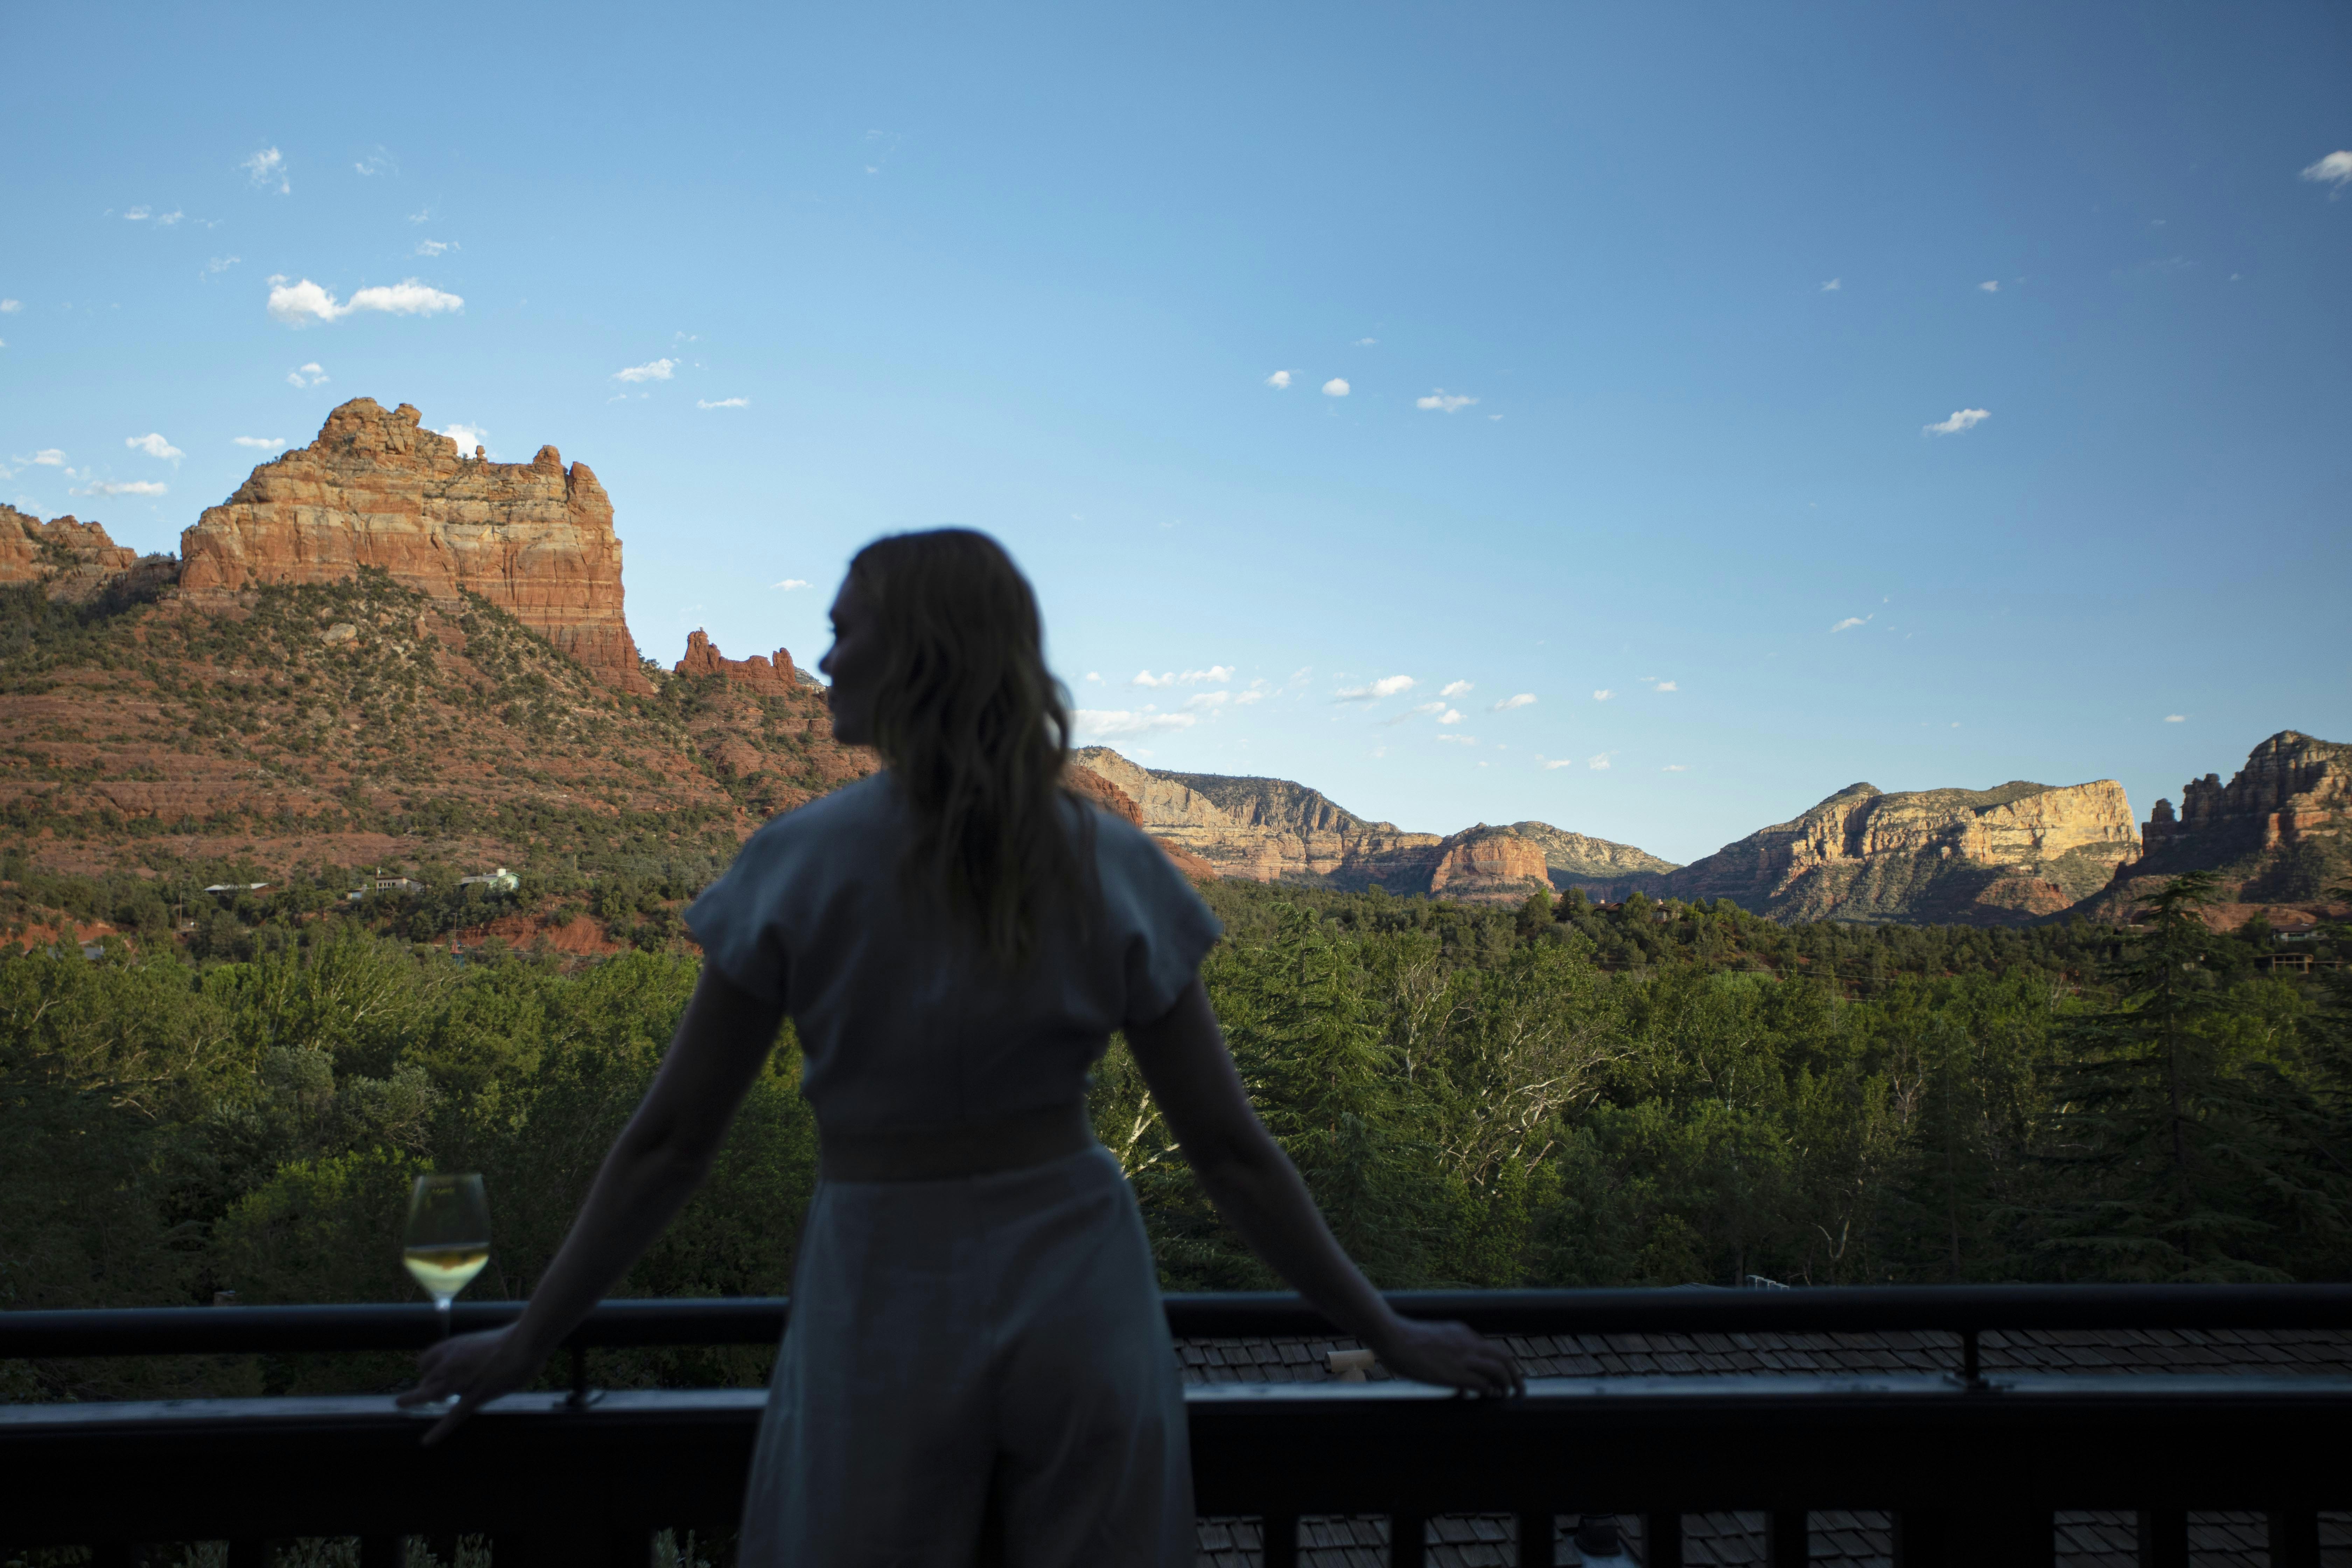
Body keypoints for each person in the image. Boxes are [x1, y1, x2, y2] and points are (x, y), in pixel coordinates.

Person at [401, 529, 1522, 1566]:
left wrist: (526, 1343)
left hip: (881, 1289)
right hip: (1082, 1289)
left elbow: (672, 1146)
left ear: (922, 656)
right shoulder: (1114, 866)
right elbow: (1228, 1153)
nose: (825, 661)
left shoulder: (794, 865)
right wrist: (1387, 1332)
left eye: (848, 634)